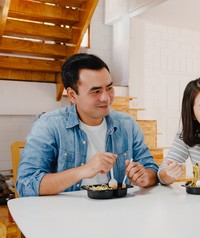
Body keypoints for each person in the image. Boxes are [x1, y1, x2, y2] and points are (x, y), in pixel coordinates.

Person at [17, 53, 158, 197]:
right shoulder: (49, 126)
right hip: (65, 216)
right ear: (72, 95)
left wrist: (146, 176)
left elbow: (151, 169)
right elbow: (26, 184)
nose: (106, 98)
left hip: (118, 212)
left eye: (109, 88)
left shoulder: (127, 125)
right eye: (96, 91)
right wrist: (84, 170)